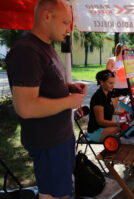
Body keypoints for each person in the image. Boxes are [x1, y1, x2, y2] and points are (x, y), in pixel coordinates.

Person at [5, 0, 87, 198]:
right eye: (65, 22)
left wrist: (68, 88)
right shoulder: (26, 51)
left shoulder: (46, 45)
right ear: (47, 16)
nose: (69, 29)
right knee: (53, 195)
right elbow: (25, 107)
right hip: (48, 141)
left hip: (60, 137)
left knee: (62, 191)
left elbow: (43, 85)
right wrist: (69, 102)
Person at [87, 70, 123, 143]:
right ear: (101, 82)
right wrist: (119, 124)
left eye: (113, 83)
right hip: (96, 132)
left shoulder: (107, 94)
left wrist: (124, 113)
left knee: (127, 128)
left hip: (104, 129)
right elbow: (101, 122)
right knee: (124, 128)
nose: (113, 85)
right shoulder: (98, 97)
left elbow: (110, 111)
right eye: (110, 83)